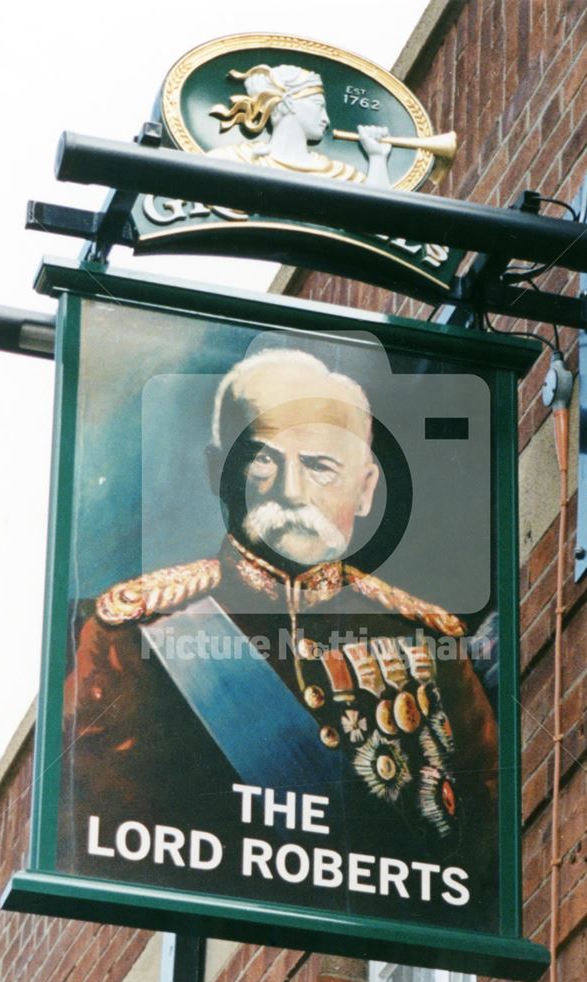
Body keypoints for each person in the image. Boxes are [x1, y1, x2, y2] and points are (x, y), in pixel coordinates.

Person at [59, 349, 498, 927]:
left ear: (365, 489)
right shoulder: (134, 631)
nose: (292, 490)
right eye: (265, 460)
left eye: (320, 466)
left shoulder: (424, 639)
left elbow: (486, 836)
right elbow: (99, 838)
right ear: (220, 471)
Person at [207, 63, 392, 186]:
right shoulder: (232, 159)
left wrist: (377, 157)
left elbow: (381, 219)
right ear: (289, 102)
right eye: (319, 107)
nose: (326, 119)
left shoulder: (340, 175)